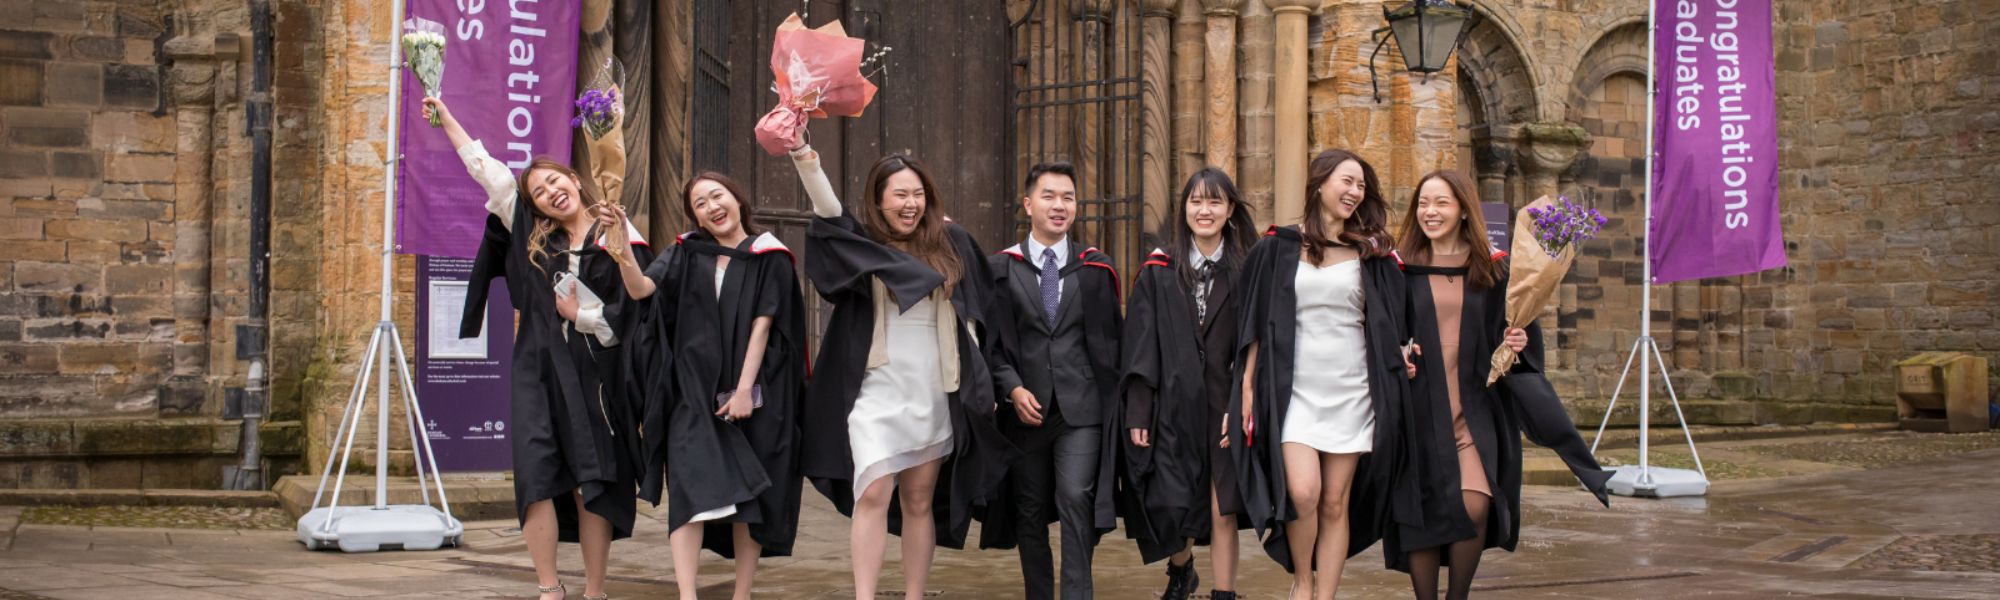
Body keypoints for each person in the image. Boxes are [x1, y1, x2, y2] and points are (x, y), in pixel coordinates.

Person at [427, 96, 645, 600]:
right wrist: (447, 117)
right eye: (540, 191)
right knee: (535, 473)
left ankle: (595, 590)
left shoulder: (617, 230)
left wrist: (586, 316)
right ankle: (549, 588)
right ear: (535, 205)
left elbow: (635, 311)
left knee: (593, 477)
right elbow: (487, 170)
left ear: (574, 178)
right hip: (537, 368)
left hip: (594, 373)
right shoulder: (531, 231)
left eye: (555, 180)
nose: (550, 192)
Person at [787, 143, 1018, 600]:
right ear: (878, 200)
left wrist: (982, 382)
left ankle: (914, 595)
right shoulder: (864, 247)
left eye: (918, 194)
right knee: (872, 493)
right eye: (899, 195)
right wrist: (804, 155)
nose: (910, 204)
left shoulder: (953, 244)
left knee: (917, 499)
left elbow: (976, 316)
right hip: (876, 388)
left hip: (933, 386)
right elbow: (830, 215)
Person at [1388, 170, 1612, 600]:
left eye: (1441, 203)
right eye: (1423, 204)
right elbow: (1383, 331)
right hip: (1418, 409)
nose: (1430, 212)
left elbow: (1515, 336)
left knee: (1476, 505)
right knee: (1420, 511)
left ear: (1463, 210)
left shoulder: (1494, 270)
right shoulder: (1399, 269)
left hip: (1473, 408)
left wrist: (1516, 341)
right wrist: (1395, 354)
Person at [600, 170, 807, 600]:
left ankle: (742, 593)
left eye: (718, 196)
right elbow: (641, 290)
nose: (712, 207)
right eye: (701, 203)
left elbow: (763, 324)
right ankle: (687, 594)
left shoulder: (770, 255)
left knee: (752, 496)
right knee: (689, 487)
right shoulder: (685, 251)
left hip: (751, 387)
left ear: (737, 198)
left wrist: (746, 389)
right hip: (690, 390)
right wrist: (620, 242)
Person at [1232, 149, 1416, 600]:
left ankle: (1325, 594)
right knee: (1303, 492)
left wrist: (1403, 354)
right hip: (1294, 388)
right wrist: (1248, 386)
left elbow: (1394, 321)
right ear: (1319, 183)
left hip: (1352, 388)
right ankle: (1303, 577)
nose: (1355, 192)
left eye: (1361, 186)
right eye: (1346, 181)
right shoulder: (1278, 246)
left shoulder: (1371, 254)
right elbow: (1255, 321)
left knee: (1335, 501)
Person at [980, 162, 1123, 600]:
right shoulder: (1001, 268)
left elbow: (1112, 343)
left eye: (1068, 198)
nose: (1059, 206)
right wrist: (1012, 387)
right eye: (1049, 196)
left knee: (1075, 498)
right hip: (1026, 411)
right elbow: (993, 344)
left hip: (1081, 410)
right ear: (1028, 204)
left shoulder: (1095, 269)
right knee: (1029, 510)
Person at [1119, 168, 1259, 600]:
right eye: (1196, 201)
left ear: (1230, 210)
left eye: (1215, 202)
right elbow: (1141, 346)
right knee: (1173, 503)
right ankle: (1182, 569)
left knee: (1223, 507)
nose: (1205, 210)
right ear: (1184, 208)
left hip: (1224, 404)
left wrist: (1245, 403)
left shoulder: (1246, 270)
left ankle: (1224, 593)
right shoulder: (1160, 270)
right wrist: (1139, 409)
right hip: (1173, 406)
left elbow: (1257, 338)